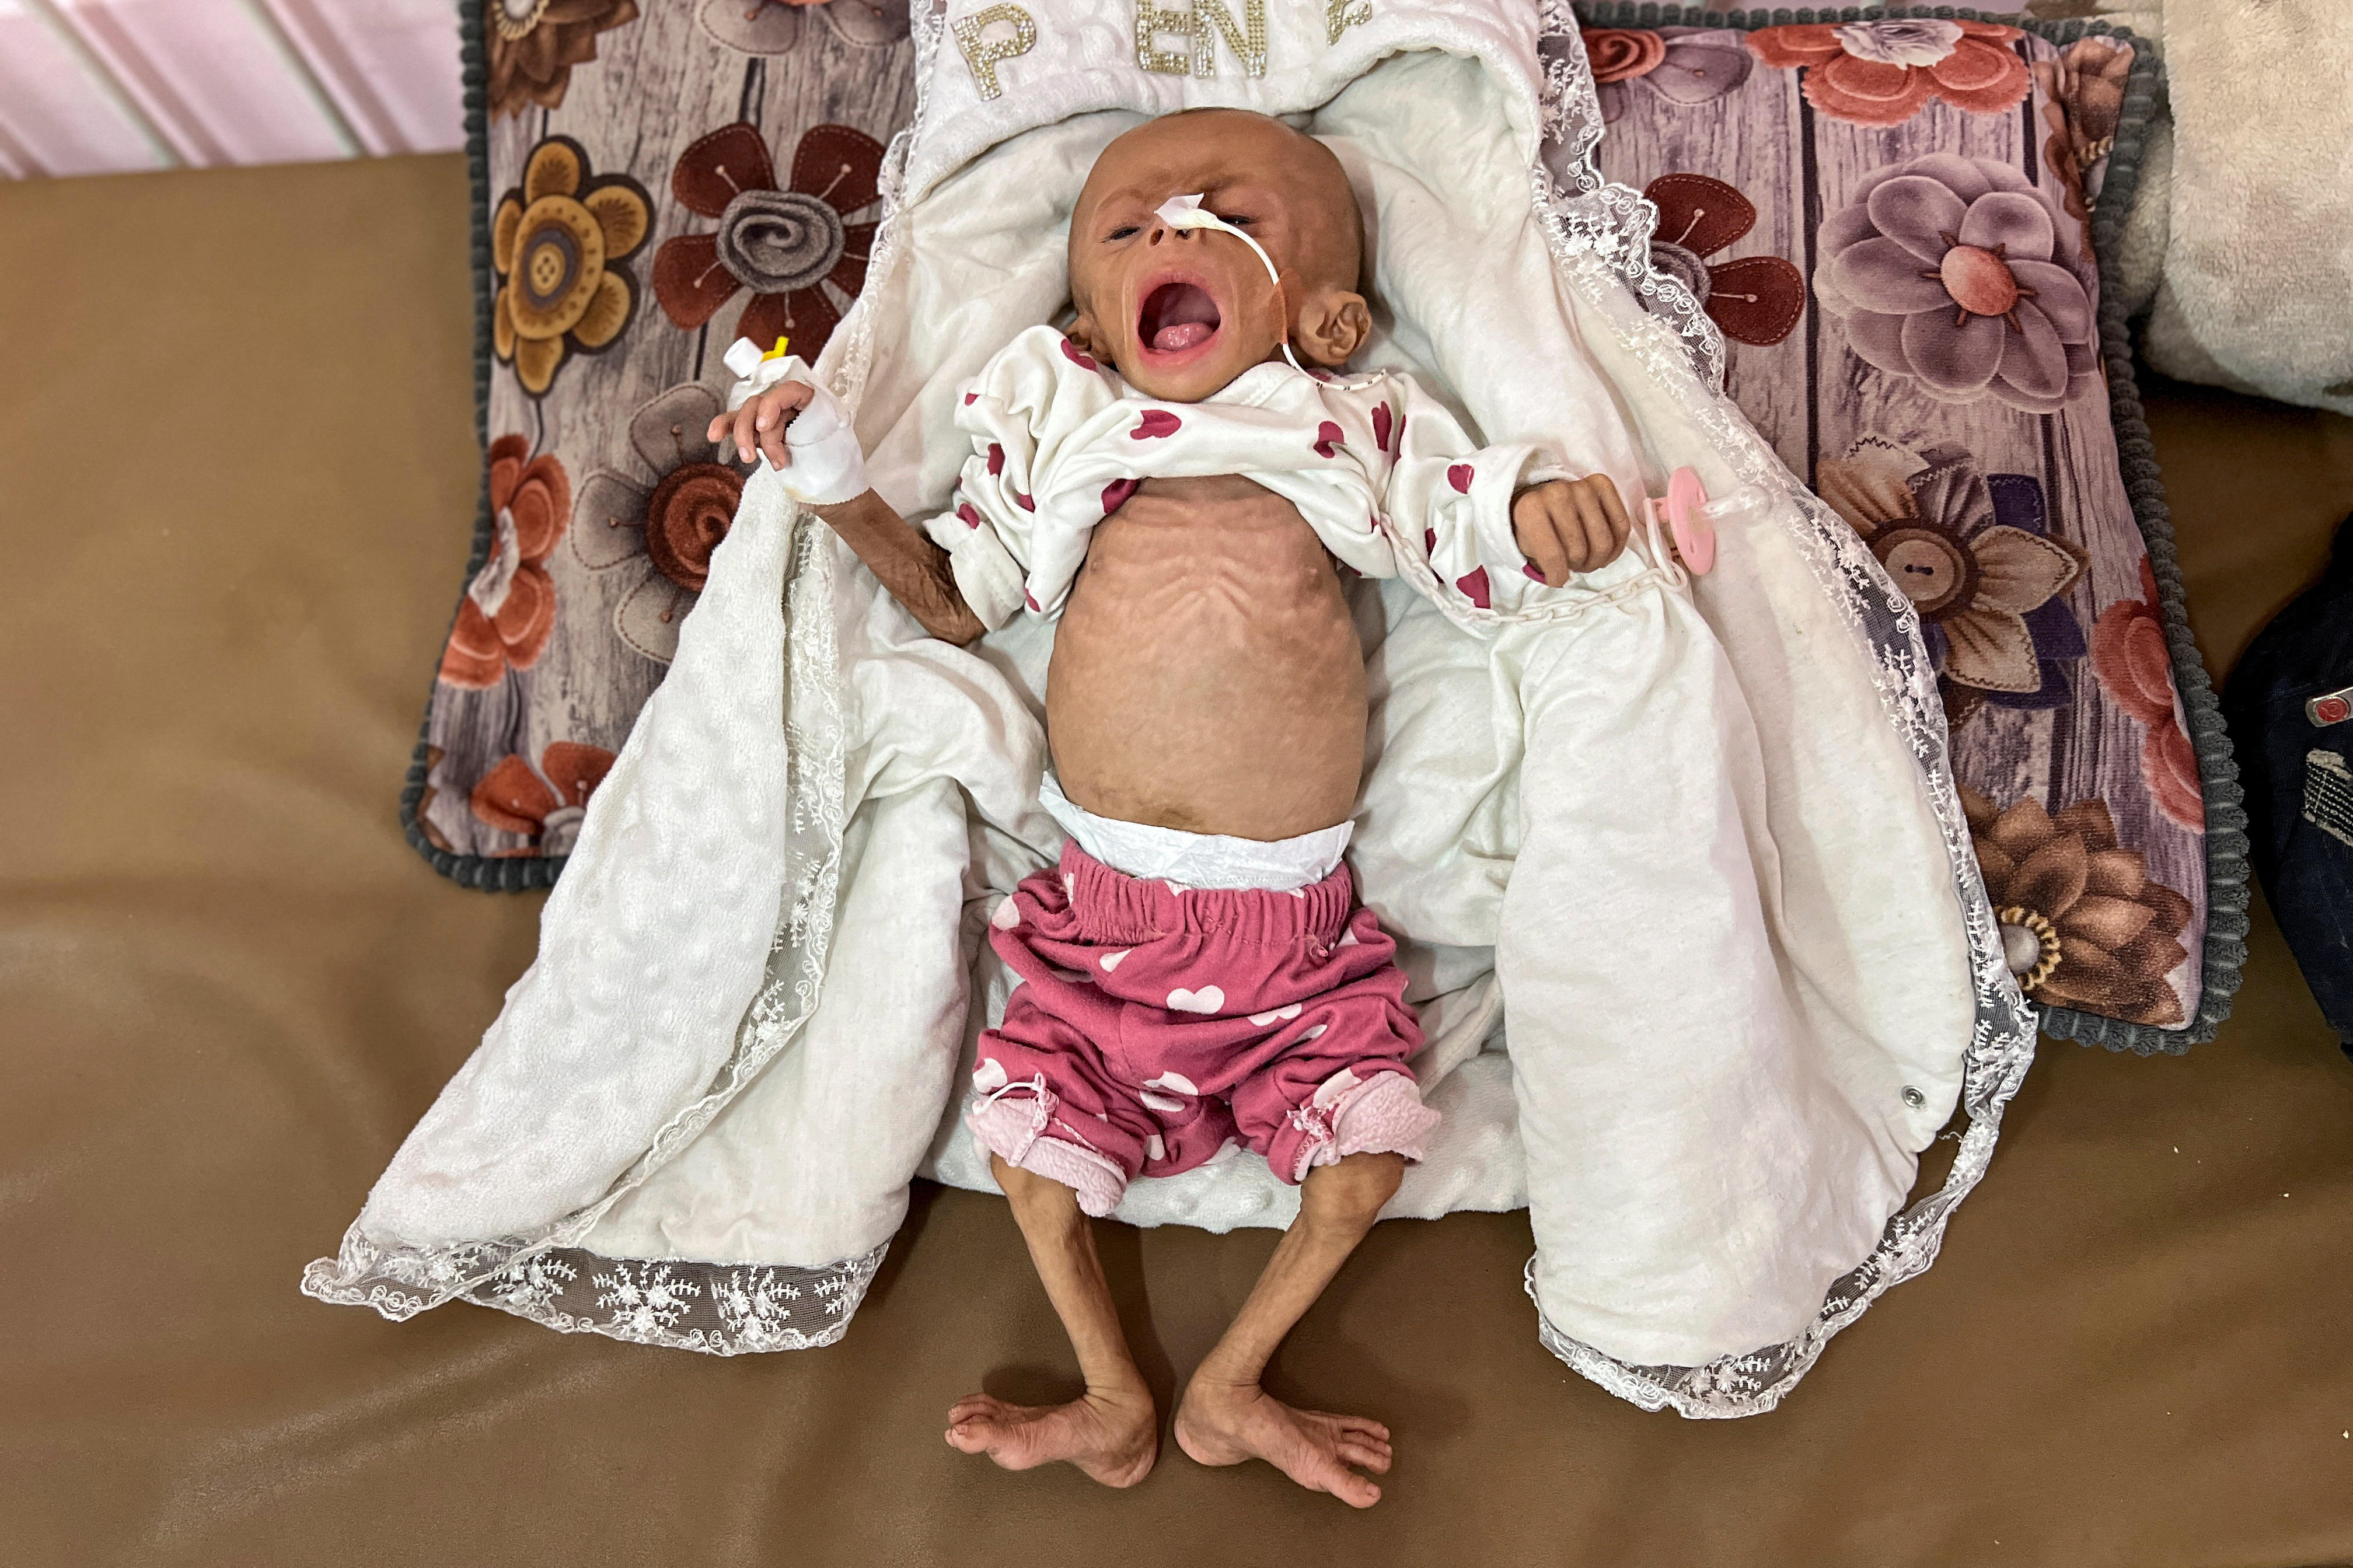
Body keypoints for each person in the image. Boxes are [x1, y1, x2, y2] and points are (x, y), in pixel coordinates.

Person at [711, 107, 1635, 1508]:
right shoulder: (1063, 418)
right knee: (1034, 1139)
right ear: (1087, 312)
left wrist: (1538, 517)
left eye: (1230, 218)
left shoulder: (1350, 418)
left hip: (1296, 933)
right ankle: (1110, 1394)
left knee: (1366, 1153)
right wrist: (833, 482)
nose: (1176, 231)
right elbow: (956, 601)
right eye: (1130, 227)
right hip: (1103, 913)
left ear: (1328, 317)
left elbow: (1462, 529)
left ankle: (1232, 1381)